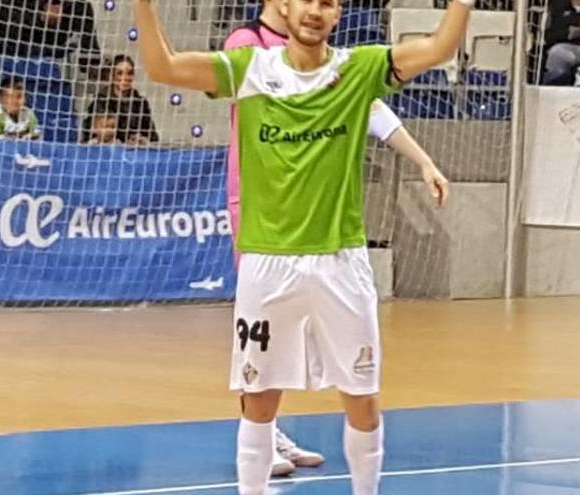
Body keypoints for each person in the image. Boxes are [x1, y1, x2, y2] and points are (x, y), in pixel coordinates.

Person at [133, 0, 466, 493]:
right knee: (259, 397)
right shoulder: (248, 67)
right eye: (306, 0)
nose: (315, 10)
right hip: (267, 261)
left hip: (340, 261)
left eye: (328, 3)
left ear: (337, 16)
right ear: (283, 8)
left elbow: (440, 47)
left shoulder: (359, 68)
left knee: (362, 397)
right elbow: (162, 66)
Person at [223, 0, 449, 478]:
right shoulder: (248, 49)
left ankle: (278, 431)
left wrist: (422, 158)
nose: (314, 9)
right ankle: (266, 429)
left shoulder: (330, 58)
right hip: (265, 215)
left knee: (347, 364)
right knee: (262, 350)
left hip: (328, 237)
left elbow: (368, 106)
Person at [84, 55, 159, 145]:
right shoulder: (100, 102)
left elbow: (152, 136)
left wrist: (142, 139)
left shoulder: (140, 103)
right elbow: (88, 135)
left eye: (129, 73)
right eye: (120, 73)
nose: (125, 78)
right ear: (111, 76)